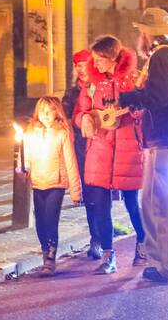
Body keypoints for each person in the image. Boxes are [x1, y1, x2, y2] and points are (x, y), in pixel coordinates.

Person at [118, 7, 168, 283]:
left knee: (162, 204)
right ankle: (166, 262)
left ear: (148, 32)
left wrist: (130, 98)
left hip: (166, 138)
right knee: (155, 201)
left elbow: (159, 97)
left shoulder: (161, 57)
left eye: (141, 31)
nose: (139, 35)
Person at [74, 36, 147, 274]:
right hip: (99, 150)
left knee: (132, 203)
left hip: (127, 150)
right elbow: (80, 111)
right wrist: (84, 118)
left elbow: (145, 111)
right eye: (94, 59)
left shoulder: (134, 80)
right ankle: (108, 255)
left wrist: (133, 113)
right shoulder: (91, 84)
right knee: (100, 205)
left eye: (100, 59)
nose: (95, 63)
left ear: (113, 57)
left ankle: (143, 244)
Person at [22, 96, 82, 276]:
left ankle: (51, 258)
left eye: (49, 112)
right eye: (42, 112)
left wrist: (75, 191)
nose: (46, 115)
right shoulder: (30, 132)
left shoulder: (61, 133)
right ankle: (44, 249)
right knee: (40, 221)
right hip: (38, 182)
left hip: (56, 183)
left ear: (56, 112)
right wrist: (23, 168)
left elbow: (70, 162)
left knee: (50, 219)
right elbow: (25, 156)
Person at [62, 49, 100, 258]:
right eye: (78, 65)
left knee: (99, 195)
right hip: (81, 150)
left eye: (85, 64)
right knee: (89, 195)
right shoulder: (71, 93)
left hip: (100, 149)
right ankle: (95, 237)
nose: (81, 69)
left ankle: (102, 237)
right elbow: (64, 117)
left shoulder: (100, 88)